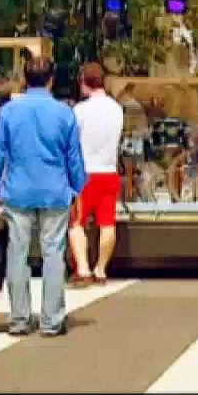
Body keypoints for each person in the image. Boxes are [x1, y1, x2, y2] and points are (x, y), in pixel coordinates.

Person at [0, 56, 87, 337]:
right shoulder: (64, 113)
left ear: (25, 79)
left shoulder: (8, 112)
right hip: (55, 190)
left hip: (18, 191)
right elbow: (73, 157)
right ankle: (51, 320)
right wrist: (77, 188)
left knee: (17, 253)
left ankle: (19, 318)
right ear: (51, 80)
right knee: (53, 254)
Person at [69, 62, 125, 288]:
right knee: (107, 222)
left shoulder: (79, 111)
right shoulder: (116, 109)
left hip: (84, 172)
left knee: (76, 222)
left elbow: (72, 143)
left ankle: (83, 269)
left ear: (84, 82)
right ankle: (101, 269)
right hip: (108, 171)